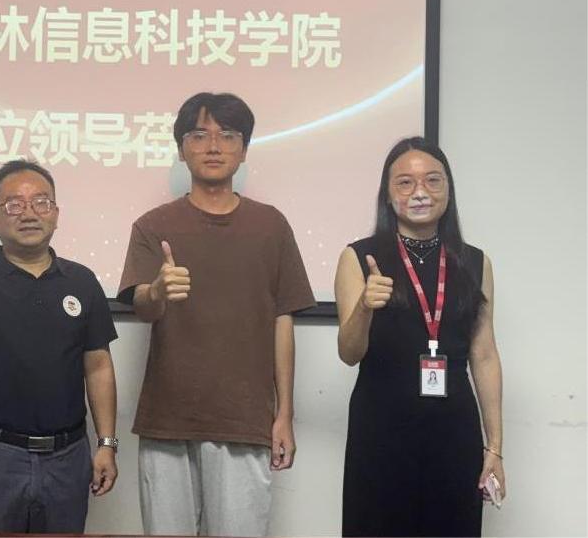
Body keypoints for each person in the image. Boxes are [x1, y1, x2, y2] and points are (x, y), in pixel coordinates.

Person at [118, 92, 316, 536]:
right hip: (168, 420)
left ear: (244, 150)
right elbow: (143, 307)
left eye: (227, 135)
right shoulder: (153, 225)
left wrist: (284, 414)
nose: (213, 146)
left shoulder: (271, 225)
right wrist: (157, 290)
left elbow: (283, 321)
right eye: (198, 135)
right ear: (181, 148)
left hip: (245, 419)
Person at [0, 159, 119, 533]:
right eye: (14, 204)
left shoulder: (82, 281)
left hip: (67, 457)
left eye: (41, 202)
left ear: (56, 214)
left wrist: (106, 443)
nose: (29, 213)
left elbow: (98, 365)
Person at [335, 136, 505, 537]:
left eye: (432, 180)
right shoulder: (359, 257)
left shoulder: (475, 262)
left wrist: (495, 447)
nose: (420, 192)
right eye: (405, 182)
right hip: (380, 428)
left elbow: (484, 355)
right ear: (387, 193)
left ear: (448, 188)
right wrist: (364, 306)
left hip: (454, 431)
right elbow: (349, 352)